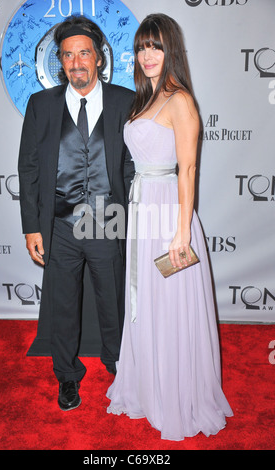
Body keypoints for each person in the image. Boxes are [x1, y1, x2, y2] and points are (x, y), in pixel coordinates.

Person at [107, 13, 233, 441]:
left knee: (170, 305)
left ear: (171, 50)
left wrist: (181, 232)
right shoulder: (144, 100)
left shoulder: (180, 100)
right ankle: (147, 385)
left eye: (156, 46)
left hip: (169, 216)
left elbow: (188, 169)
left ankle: (176, 395)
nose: (147, 55)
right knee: (145, 303)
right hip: (142, 210)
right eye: (142, 46)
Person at [18, 15, 135, 411]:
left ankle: (119, 364)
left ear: (98, 58)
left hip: (109, 220)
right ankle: (67, 377)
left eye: (83, 53)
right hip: (61, 225)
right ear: (60, 62)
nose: (76, 62)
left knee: (113, 301)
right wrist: (32, 227)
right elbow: (29, 168)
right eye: (67, 55)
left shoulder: (125, 101)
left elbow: (135, 164)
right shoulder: (41, 105)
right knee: (63, 304)